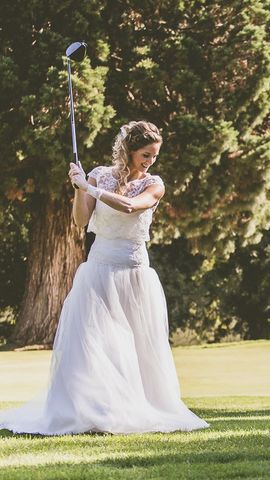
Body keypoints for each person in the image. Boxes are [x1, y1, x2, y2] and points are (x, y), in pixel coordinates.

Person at [0, 121, 208, 435]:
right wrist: (77, 188)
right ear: (129, 150)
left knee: (137, 346)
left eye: (154, 155)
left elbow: (130, 207)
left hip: (134, 272)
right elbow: (81, 219)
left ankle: (134, 408)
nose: (150, 160)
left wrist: (90, 188)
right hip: (97, 269)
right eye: (145, 153)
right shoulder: (99, 174)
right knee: (92, 343)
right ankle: (90, 410)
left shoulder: (154, 183)